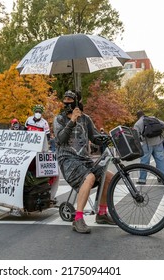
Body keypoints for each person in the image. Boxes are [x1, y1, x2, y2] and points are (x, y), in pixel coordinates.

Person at [54, 90, 115, 234]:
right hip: (67, 159)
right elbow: (59, 140)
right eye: (65, 99)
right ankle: (78, 218)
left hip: (84, 160)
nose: (67, 102)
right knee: (90, 177)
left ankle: (101, 213)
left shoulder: (86, 119)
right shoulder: (59, 119)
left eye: (70, 99)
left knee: (109, 176)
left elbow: (94, 137)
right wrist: (72, 121)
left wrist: (107, 138)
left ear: (77, 101)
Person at [133, 110, 164, 184]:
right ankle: (163, 179)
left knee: (144, 162)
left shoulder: (138, 123)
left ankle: (142, 180)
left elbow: (135, 136)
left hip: (147, 144)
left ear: (138, 116)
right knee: (160, 161)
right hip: (158, 142)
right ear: (144, 114)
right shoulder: (154, 119)